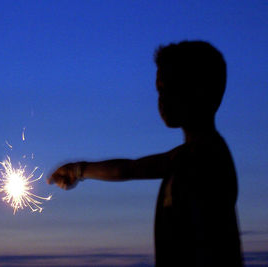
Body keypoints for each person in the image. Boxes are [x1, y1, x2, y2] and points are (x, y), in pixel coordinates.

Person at [47, 41, 243, 266]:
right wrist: (78, 170)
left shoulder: (208, 160)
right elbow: (129, 169)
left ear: (200, 90)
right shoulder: (185, 157)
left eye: (170, 87)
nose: (161, 98)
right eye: (159, 90)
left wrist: (79, 169)